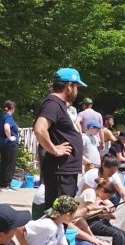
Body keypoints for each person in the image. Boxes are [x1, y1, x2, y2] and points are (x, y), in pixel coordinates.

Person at [34, 68, 87, 209]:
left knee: (64, 214)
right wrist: (54, 150)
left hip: (64, 171)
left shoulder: (57, 104)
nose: (77, 91)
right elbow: (39, 129)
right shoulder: (53, 104)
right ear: (69, 86)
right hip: (60, 171)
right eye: (76, 87)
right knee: (60, 214)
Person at [0, 100, 19, 190]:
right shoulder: (8, 117)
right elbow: (6, 127)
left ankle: (3, 184)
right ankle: (7, 184)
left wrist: (0, 133)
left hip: (2, 142)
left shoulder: (1, 115)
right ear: (13, 108)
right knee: (10, 164)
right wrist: (10, 137)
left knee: (4, 163)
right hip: (9, 144)